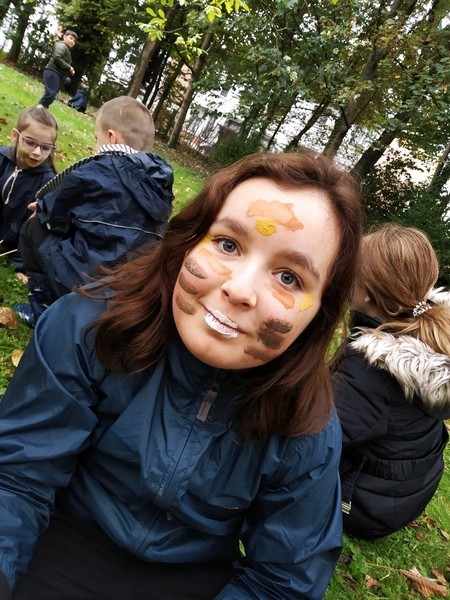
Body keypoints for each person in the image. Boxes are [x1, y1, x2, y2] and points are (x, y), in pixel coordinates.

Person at [0, 151, 362, 600]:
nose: (239, 289)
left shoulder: (306, 426)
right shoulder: (89, 329)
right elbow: (16, 479)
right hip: (60, 536)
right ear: (187, 241)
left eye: (288, 277)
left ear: (320, 314)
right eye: (228, 244)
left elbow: (282, 582)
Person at [333, 224, 450, 539]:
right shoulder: (426, 331)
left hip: (365, 509)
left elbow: (315, 435)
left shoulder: (372, 372)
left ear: (367, 293)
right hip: (402, 495)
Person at [16, 95, 174, 326]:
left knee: (34, 227)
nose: (95, 145)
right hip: (126, 286)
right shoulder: (160, 185)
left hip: (84, 277)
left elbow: (57, 211)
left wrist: (42, 208)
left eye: (96, 138)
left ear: (110, 137)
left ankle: (43, 310)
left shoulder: (96, 169)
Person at [0, 106, 58, 271]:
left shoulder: (48, 182)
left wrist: (21, 263)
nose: (37, 152)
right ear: (15, 136)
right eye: (30, 143)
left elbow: (36, 227)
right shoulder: (2, 157)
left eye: (45, 147)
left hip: (13, 242)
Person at [38, 30, 77, 109]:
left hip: (56, 74)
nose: (72, 41)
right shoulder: (61, 46)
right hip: (52, 72)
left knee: (52, 95)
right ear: (64, 37)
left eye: (74, 40)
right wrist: (69, 67)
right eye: (70, 38)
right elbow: (57, 57)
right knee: (51, 95)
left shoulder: (65, 48)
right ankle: (38, 109)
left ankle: (43, 109)